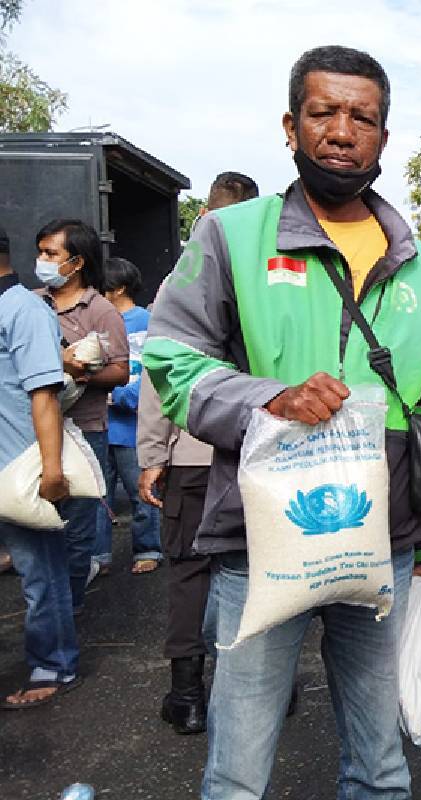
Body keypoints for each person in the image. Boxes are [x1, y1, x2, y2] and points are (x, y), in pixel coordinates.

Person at [142, 46, 421, 798]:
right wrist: (267, 400)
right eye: (324, 113)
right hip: (261, 543)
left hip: (384, 547)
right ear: (292, 125)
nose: (342, 131)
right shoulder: (231, 235)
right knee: (238, 769)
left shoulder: (415, 264)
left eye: (363, 117)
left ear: (383, 136)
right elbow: (170, 357)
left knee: (380, 766)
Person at [138, 170, 259, 735]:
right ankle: (268, 691)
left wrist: (151, 454)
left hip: (192, 451)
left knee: (190, 572)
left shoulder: (178, 282)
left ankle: (188, 695)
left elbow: (159, 378)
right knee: (262, 572)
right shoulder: (270, 272)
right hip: (260, 452)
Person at [0, 223, 82, 708]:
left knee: (39, 572)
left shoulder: (23, 309)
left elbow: (44, 395)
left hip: (19, 468)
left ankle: (53, 663)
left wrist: (51, 470)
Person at [35, 219, 130, 611]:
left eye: (51, 254)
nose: (42, 260)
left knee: (76, 528)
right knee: (34, 521)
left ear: (77, 262)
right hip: (34, 430)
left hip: (84, 429)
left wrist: (81, 372)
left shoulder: (100, 310)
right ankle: (45, 606)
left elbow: (121, 371)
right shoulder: (31, 303)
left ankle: (67, 605)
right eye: (40, 252)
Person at [95, 257, 162, 576]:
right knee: (97, 495)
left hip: (133, 427)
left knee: (141, 492)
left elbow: (151, 378)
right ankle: (99, 556)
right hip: (100, 425)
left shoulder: (147, 322)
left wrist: (114, 395)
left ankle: (149, 548)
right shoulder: (97, 321)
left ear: (118, 287)